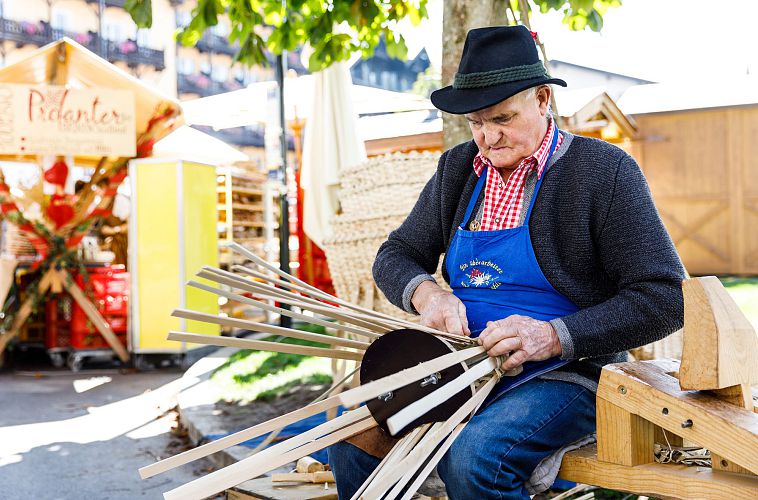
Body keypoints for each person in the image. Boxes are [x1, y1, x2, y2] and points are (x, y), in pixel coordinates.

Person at [329, 25, 686, 499]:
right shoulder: (458, 169)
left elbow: (665, 296)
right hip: (459, 366)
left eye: (502, 118)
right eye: (476, 122)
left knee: (478, 456)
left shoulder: (603, 170)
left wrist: (552, 336)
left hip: (566, 370)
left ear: (542, 100)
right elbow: (396, 254)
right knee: (354, 433)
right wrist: (426, 292)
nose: (488, 137)